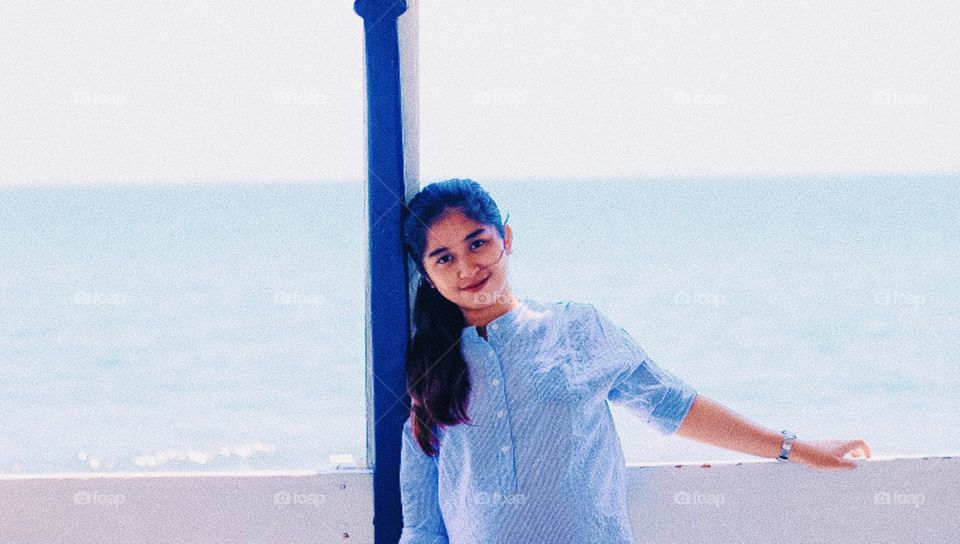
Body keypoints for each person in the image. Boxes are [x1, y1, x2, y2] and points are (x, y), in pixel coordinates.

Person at [397, 178, 872, 544]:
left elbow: (673, 405)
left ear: (507, 238)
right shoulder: (431, 368)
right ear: (428, 275)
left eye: (477, 242)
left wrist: (795, 446)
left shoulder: (577, 329)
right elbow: (422, 526)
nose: (466, 267)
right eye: (443, 258)